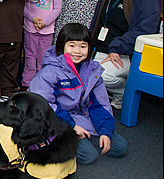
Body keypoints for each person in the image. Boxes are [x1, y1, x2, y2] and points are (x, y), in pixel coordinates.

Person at [29, 23, 128, 165]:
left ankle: (86, 136)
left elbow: (100, 104)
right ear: (61, 46)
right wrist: (72, 126)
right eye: (72, 45)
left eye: (83, 46)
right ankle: (55, 141)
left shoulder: (92, 71)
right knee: (89, 156)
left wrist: (105, 130)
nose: (77, 51)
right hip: (57, 121)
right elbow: (44, 105)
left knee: (120, 148)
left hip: (83, 117)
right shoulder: (49, 72)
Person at [89, 0, 161, 109]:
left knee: (97, 76)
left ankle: (123, 92)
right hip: (101, 48)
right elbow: (98, 19)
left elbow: (146, 31)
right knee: (76, 69)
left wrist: (117, 47)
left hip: (124, 53)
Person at [22, 0, 62, 88]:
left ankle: (43, 84)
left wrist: (45, 22)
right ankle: (27, 84)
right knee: (30, 57)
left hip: (47, 30)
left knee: (44, 58)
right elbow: (24, 7)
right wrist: (33, 19)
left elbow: (57, 8)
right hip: (30, 29)